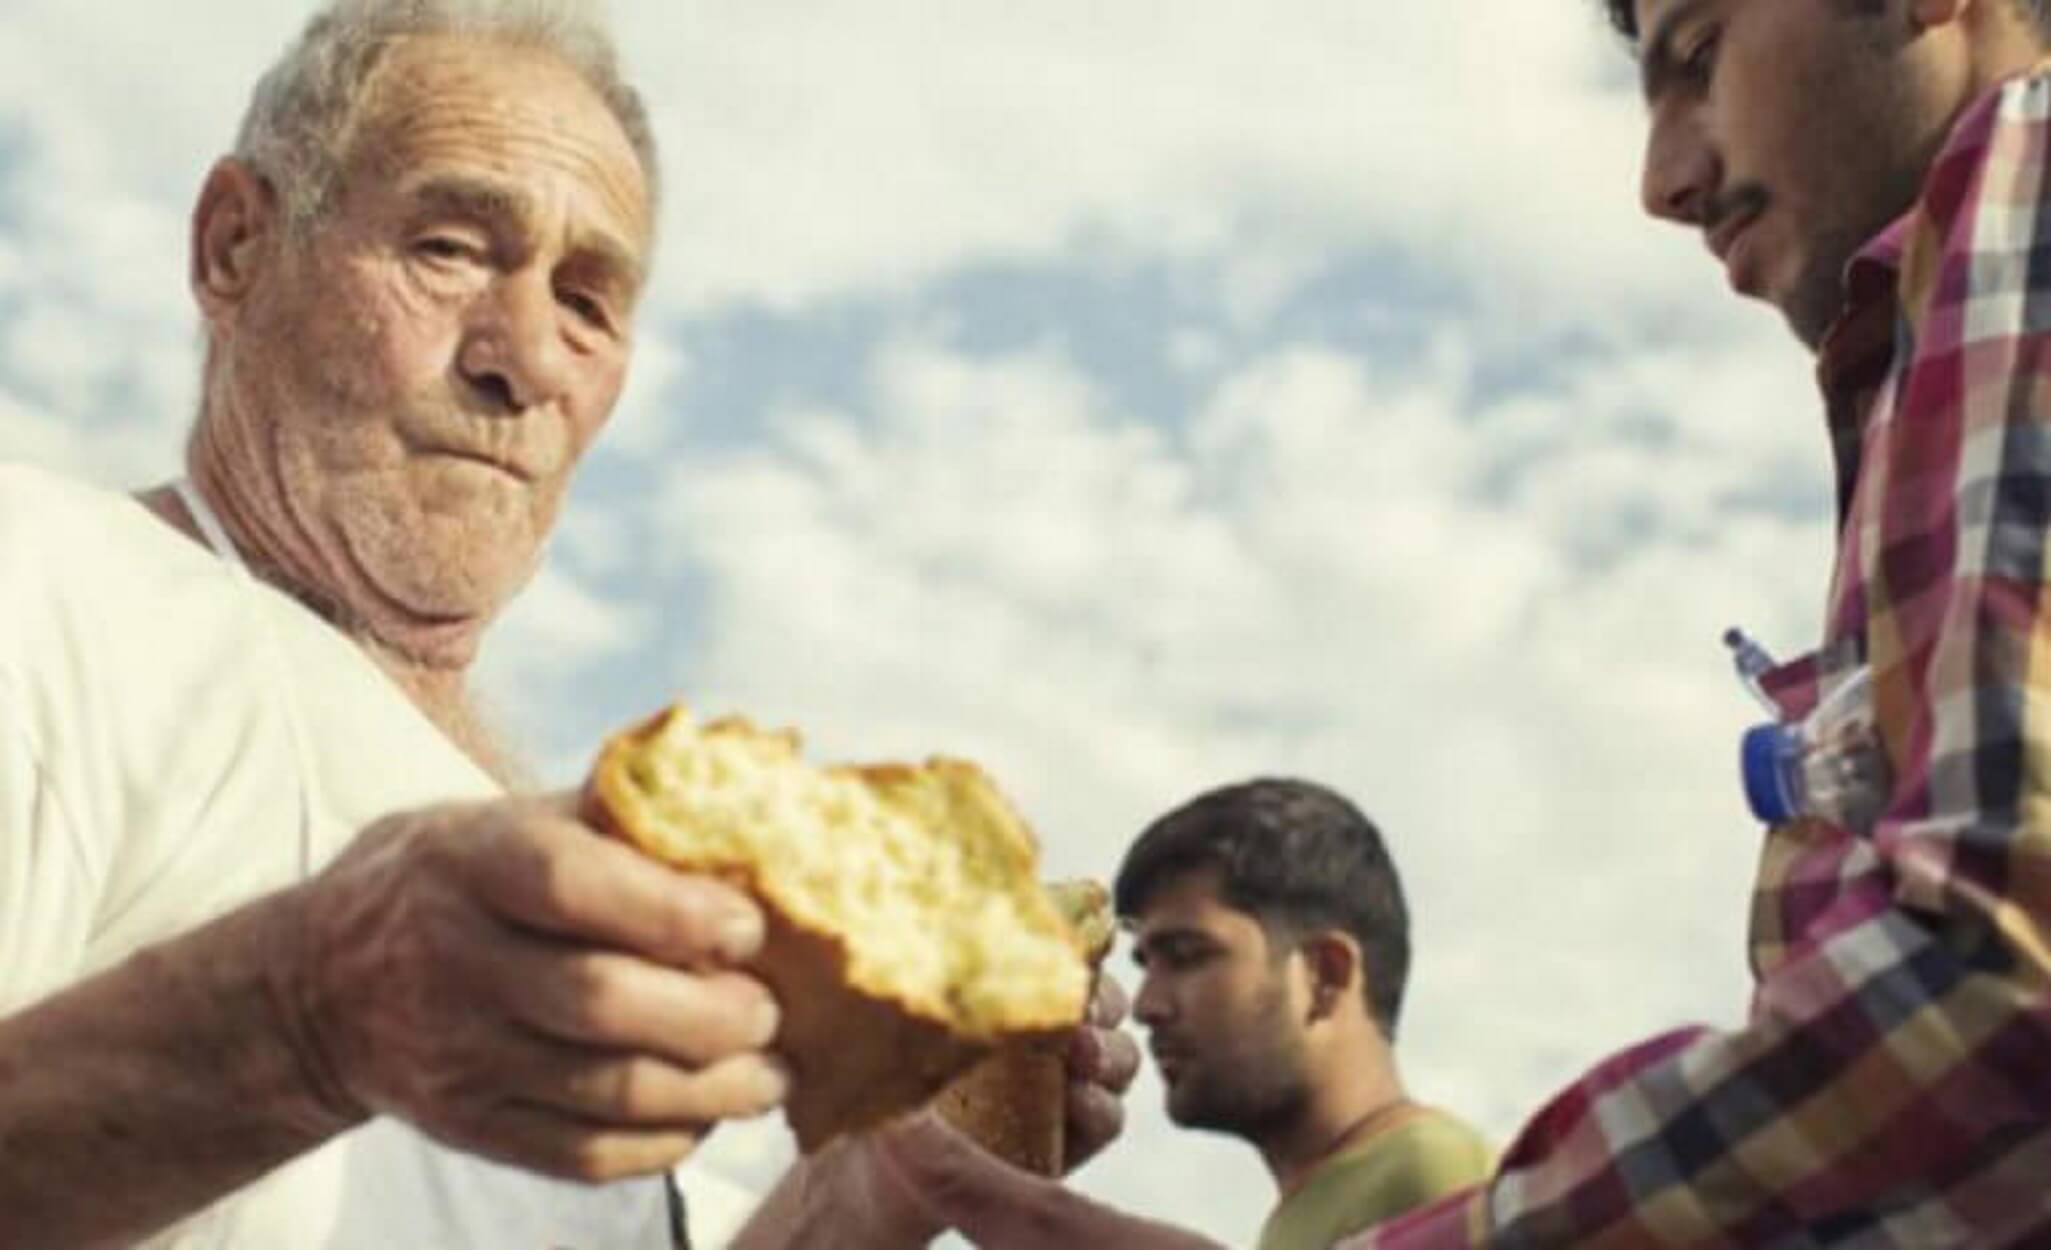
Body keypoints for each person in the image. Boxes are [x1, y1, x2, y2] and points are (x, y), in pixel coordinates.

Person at [875, 0, 2051, 1246]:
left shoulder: (2016, 220)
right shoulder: (1920, 334)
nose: (1659, 179)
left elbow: (1994, 984)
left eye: (1699, 56)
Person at [0, 2, 1133, 1247]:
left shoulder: (527, 838)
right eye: (448, 247)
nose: (525, 355)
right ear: (234, 248)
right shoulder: (40, 578)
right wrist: (305, 1012)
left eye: (589, 302)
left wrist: (873, 1187)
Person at [1120, 781, 1491, 1250]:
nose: (1146, 1006)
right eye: (1146, 965)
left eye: (1187, 955)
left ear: (1325, 975)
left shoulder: (1431, 1174)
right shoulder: (1306, 1214)